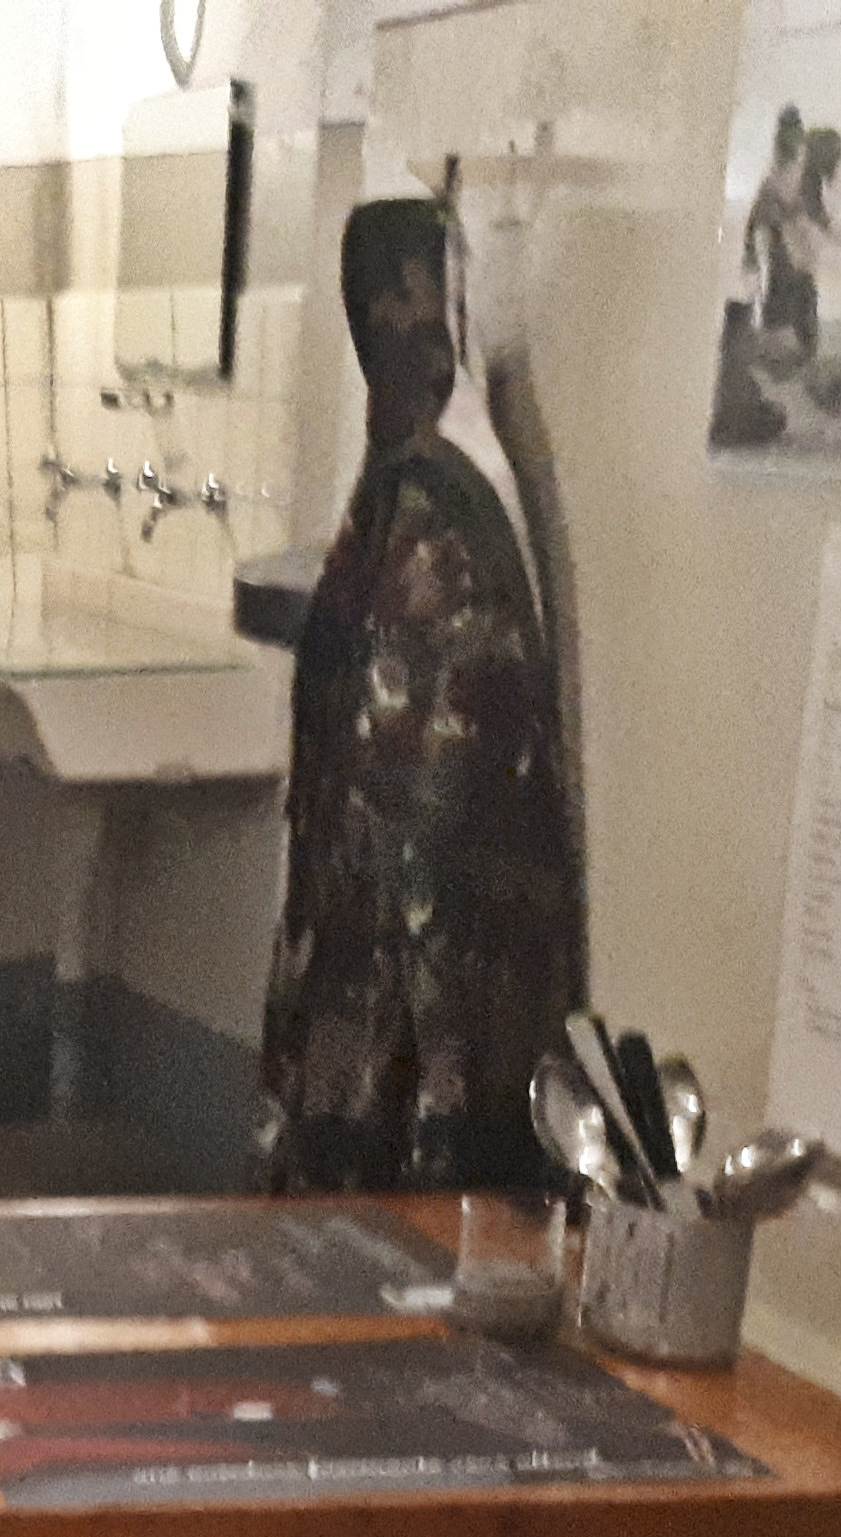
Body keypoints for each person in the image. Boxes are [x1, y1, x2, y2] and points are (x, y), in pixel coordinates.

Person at [253, 198, 583, 1194]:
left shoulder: (446, 498)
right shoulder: (410, 483)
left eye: (406, 303)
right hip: (370, 909)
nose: (391, 333)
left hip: (429, 925)